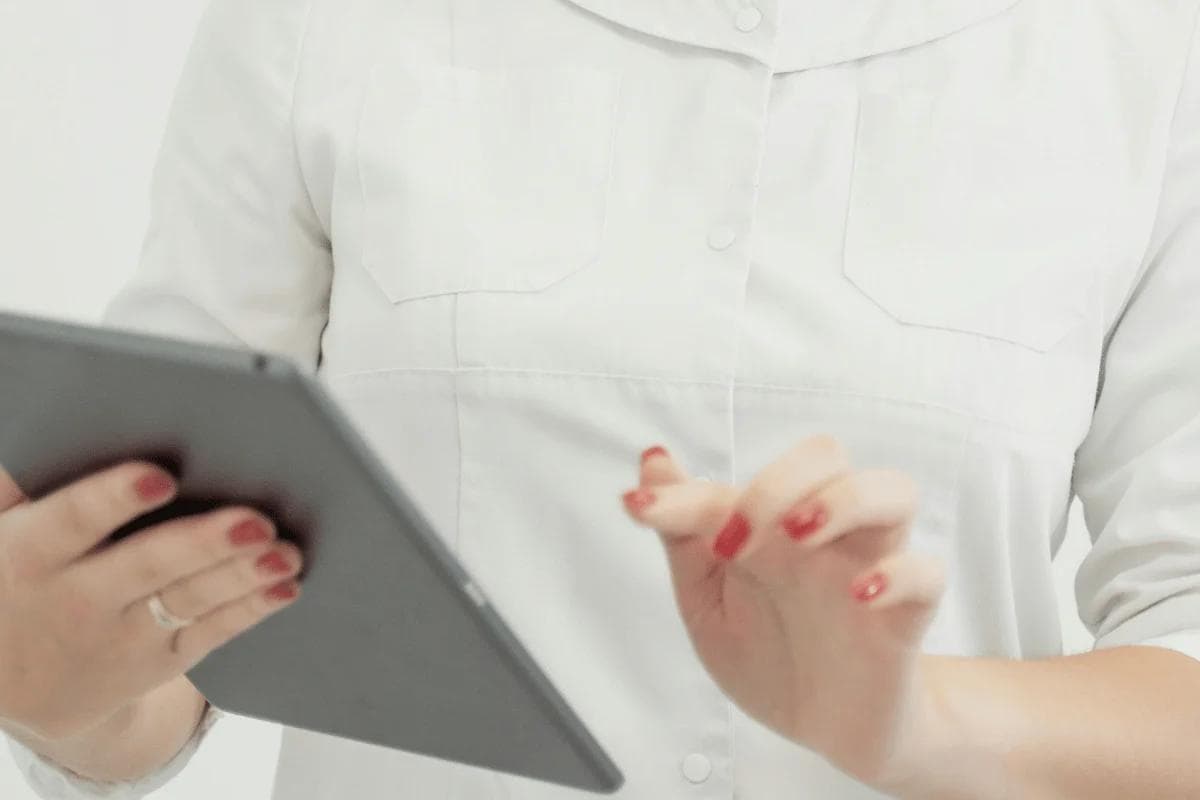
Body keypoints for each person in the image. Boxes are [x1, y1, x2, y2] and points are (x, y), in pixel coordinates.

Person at [3, 0, 1200, 797]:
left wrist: (915, 718)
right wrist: (52, 684)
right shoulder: (327, 18)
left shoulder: (1144, 56)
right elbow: (165, 614)